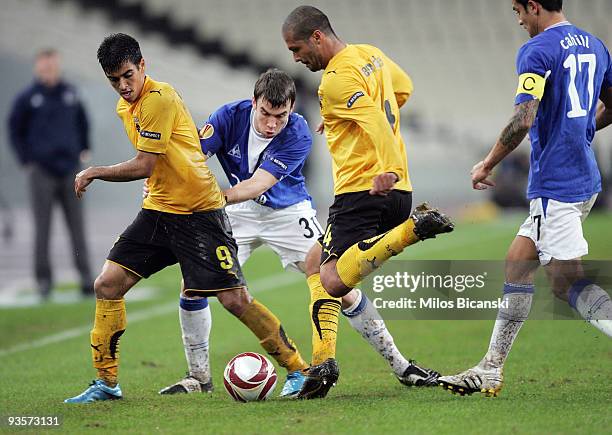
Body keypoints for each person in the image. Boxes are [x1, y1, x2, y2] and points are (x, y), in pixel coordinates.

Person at [157, 69, 441, 398]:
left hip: (289, 214)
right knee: (191, 286)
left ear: (291, 109)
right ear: (253, 103)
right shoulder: (227, 116)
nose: (271, 124)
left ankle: (401, 365)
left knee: (338, 285)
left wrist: (209, 198)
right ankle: (198, 377)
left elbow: (259, 184)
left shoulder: (298, 131)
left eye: (280, 115)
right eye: (265, 114)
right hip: (237, 214)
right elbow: (191, 157)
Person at [64, 33, 309, 403]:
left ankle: (298, 369)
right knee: (107, 285)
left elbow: (145, 163)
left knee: (234, 300)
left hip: (199, 213)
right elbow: (162, 163)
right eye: (114, 80)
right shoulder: (125, 107)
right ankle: (107, 382)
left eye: (128, 75)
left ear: (143, 65)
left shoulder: (159, 99)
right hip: (160, 211)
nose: (123, 86)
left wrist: (95, 171)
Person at [438, 0, 612, 397]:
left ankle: (490, 368)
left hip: (556, 185)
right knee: (518, 262)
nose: (517, 19)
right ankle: (490, 368)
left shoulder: (537, 51)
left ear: (534, 6)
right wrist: (583, 128)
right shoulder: (595, 45)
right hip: (583, 177)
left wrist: (487, 163)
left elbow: (523, 119)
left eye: (518, 10)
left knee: (567, 283)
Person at [282, 6, 455, 398]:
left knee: (330, 278)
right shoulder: (369, 54)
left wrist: (386, 167)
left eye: (296, 48)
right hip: (399, 190)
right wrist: (346, 118)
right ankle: (336, 363)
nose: (295, 58)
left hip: (364, 190)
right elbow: (403, 88)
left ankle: (413, 231)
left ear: (317, 37)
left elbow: (376, 120)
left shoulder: (334, 81)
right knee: (315, 263)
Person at [8, 49, 93, 300]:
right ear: (38, 69)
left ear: (58, 66)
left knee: (77, 227)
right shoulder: (27, 98)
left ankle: (86, 277)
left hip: (70, 170)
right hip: (41, 171)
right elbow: (14, 129)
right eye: (45, 67)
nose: (49, 71)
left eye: (53, 66)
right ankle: (43, 280)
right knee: (42, 228)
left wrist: (84, 148)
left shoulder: (71, 93)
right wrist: (26, 160)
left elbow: (83, 122)